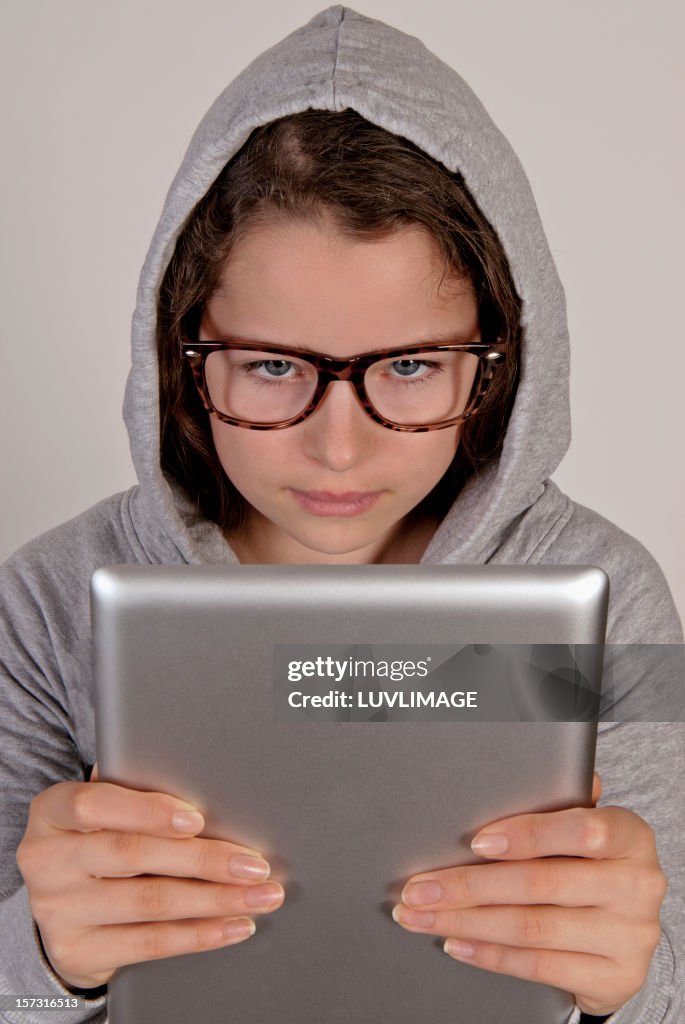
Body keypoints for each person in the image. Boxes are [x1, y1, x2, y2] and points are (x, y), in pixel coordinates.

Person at [0, 7, 682, 1024]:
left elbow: (670, 985)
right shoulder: (51, 599)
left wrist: (632, 986)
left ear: (499, 364)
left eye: (409, 367)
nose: (337, 446)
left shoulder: (609, 593)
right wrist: (45, 953)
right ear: (180, 354)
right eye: (274, 366)